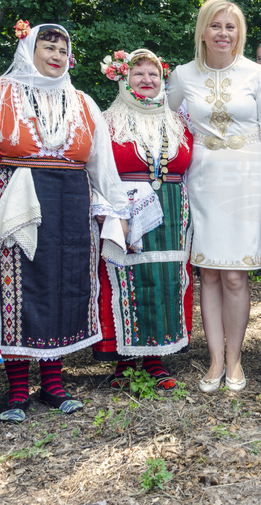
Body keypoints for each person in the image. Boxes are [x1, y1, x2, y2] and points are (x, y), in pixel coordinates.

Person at [0, 22, 130, 421]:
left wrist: (117, 213)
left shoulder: (83, 101)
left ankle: (54, 384)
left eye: (63, 49)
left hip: (72, 203)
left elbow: (102, 164)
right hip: (15, 200)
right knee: (19, 287)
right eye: (49, 46)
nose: (57, 55)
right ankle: (18, 389)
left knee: (65, 285)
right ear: (29, 48)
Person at [167, 0, 261, 392]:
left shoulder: (255, 74)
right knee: (209, 272)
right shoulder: (182, 75)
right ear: (202, 30)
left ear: (240, 33)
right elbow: (160, 118)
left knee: (235, 275)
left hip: (247, 177)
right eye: (216, 26)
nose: (223, 33)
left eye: (230, 27)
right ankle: (215, 359)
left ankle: (236, 359)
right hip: (202, 177)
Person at [91, 49, 195, 389]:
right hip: (127, 207)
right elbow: (98, 171)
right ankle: (125, 360)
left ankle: (155, 358)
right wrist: (113, 211)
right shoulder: (107, 121)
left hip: (172, 207)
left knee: (165, 279)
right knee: (127, 279)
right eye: (138, 74)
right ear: (123, 78)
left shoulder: (178, 122)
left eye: (153, 74)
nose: (147, 80)